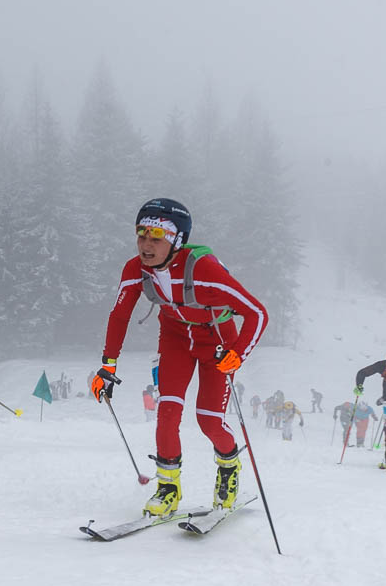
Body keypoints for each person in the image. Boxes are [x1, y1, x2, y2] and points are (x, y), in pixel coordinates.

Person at [90, 198, 267, 518]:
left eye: (157, 237)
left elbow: (256, 313)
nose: (146, 244)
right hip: (174, 340)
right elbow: (119, 316)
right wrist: (108, 366)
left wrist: (237, 355)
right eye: (141, 235)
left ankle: (229, 468)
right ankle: (168, 488)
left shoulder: (204, 271)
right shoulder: (135, 268)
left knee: (209, 420)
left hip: (216, 339)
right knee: (167, 413)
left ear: (177, 240)